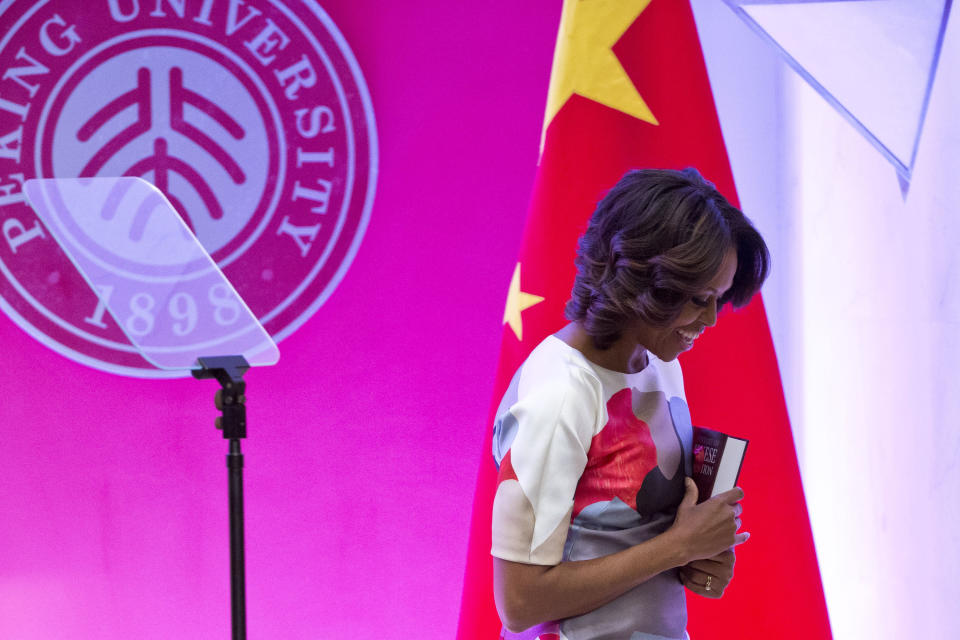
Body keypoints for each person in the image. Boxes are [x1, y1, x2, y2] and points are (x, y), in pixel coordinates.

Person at [490, 168, 770, 640]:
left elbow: (637, 536)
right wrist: (676, 548)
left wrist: (698, 557)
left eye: (718, 301)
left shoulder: (656, 361)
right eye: (699, 300)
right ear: (643, 281)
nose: (710, 320)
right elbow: (519, 603)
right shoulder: (560, 394)